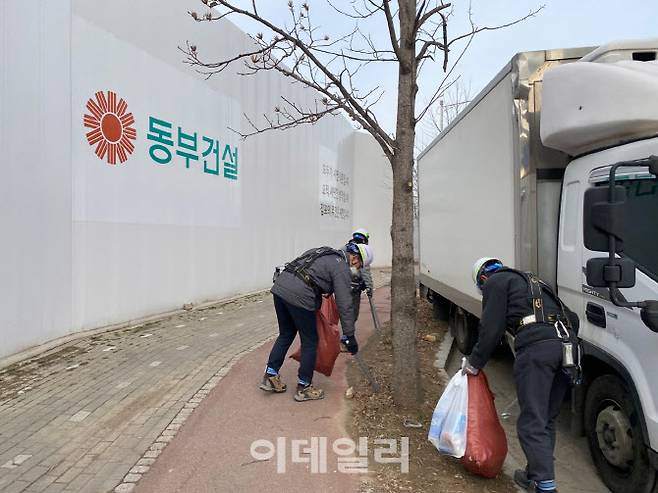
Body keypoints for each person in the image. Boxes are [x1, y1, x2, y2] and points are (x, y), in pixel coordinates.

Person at [462, 257, 580, 493]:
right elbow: (573, 318)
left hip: (537, 351)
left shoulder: (495, 282)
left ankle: (545, 486)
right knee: (546, 418)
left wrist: (474, 363)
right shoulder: (534, 282)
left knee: (531, 422)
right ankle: (534, 473)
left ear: (483, 278)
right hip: (569, 350)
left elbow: (490, 328)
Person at [260, 243, 372, 402]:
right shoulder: (341, 267)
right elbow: (344, 303)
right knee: (310, 341)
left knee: (286, 333)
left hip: (280, 287)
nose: (357, 268)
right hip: (300, 295)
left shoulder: (323, 251)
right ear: (355, 258)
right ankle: (304, 387)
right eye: (360, 265)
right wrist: (349, 335)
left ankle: (270, 375)